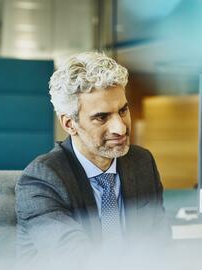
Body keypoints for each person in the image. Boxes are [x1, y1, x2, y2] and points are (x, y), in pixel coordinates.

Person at [15, 52, 169, 260]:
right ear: (70, 124)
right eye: (101, 117)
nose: (120, 128)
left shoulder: (141, 163)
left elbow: (160, 244)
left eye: (123, 111)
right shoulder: (42, 179)